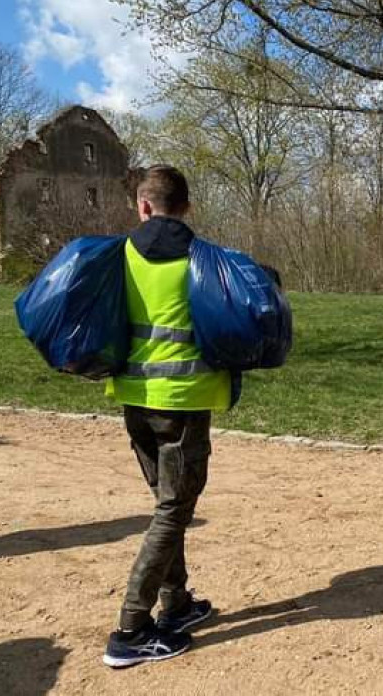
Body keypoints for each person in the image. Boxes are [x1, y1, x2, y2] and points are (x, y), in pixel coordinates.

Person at [101, 165, 231, 668]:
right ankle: (131, 628)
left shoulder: (120, 255)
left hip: (133, 397)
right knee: (175, 509)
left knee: (165, 503)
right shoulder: (203, 259)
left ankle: (175, 604)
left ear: (143, 206)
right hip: (183, 401)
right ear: (188, 207)